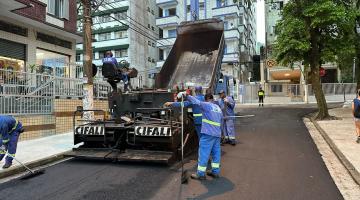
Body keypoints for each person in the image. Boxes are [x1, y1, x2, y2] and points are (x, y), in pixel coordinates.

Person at [178, 92, 223, 180]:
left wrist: (186, 95)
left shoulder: (206, 105)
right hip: (217, 134)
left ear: (206, 99)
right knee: (216, 153)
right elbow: (221, 121)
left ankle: (201, 174)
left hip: (208, 134)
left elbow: (195, 101)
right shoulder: (218, 108)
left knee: (203, 153)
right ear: (212, 99)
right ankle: (215, 172)